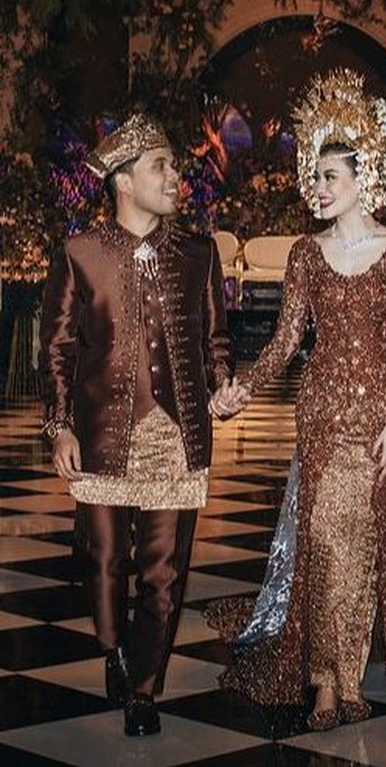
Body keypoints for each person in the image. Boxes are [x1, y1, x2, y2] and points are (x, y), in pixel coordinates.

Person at [209, 70, 386, 730]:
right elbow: (283, 342)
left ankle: (348, 674)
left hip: (384, 419)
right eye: (316, 176)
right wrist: (243, 387)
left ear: (364, 178)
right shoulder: (305, 253)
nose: (317, 188)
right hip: (323, 415)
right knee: (329, 539)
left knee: (363, 544)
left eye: (329, 177)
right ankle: (329, 682)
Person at [39, 113, 242, 737]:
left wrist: (223, 385)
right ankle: (113, 649)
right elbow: (57, 346)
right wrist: (61, 426)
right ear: (124, 181)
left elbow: (214, 340)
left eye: (174, 166)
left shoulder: (199, 252)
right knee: (104, 562)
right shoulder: (80, 253)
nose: (176, 177)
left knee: (164, 572)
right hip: (101, 434)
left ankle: (144, 689)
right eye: (162, 166)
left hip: (176, 437)